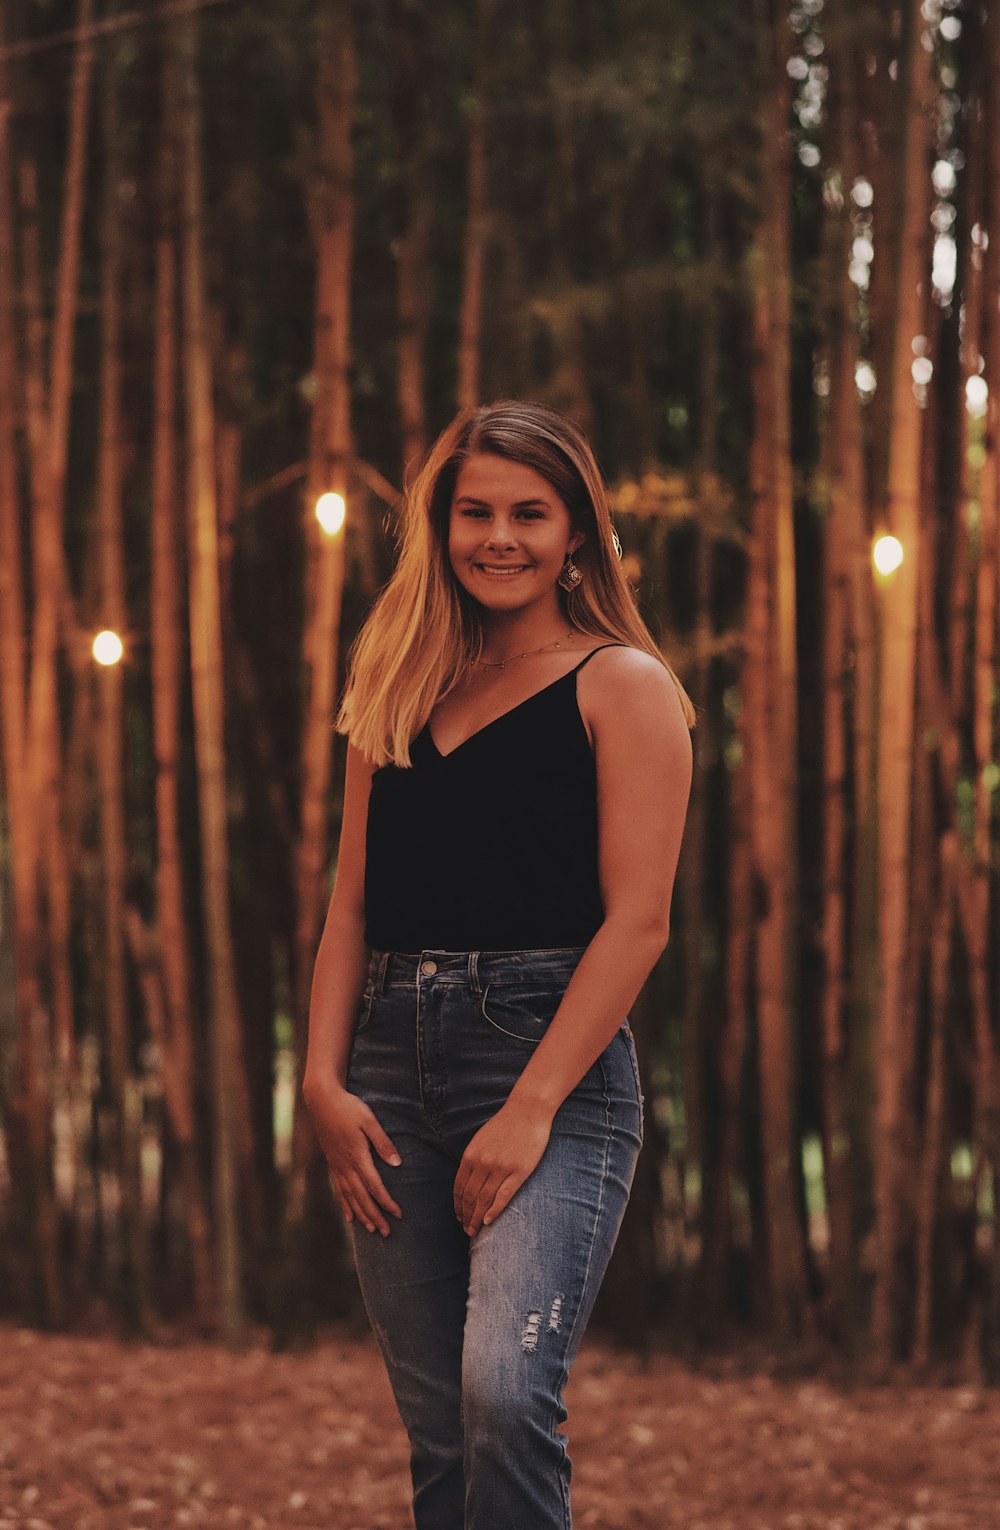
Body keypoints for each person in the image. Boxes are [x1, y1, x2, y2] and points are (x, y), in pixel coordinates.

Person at [302, 399, 694, 1530]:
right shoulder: (397, 682)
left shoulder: (622, 684)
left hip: (549, 1069)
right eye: (474, 511)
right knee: (438, 1432)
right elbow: (351, 905)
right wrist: (322, 1086)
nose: (499, 536)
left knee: (502, 1396)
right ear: (438, 525)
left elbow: (640, 923)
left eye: (531, 512)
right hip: (386, 1073)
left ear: (577, 533)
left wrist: (529, 1108)